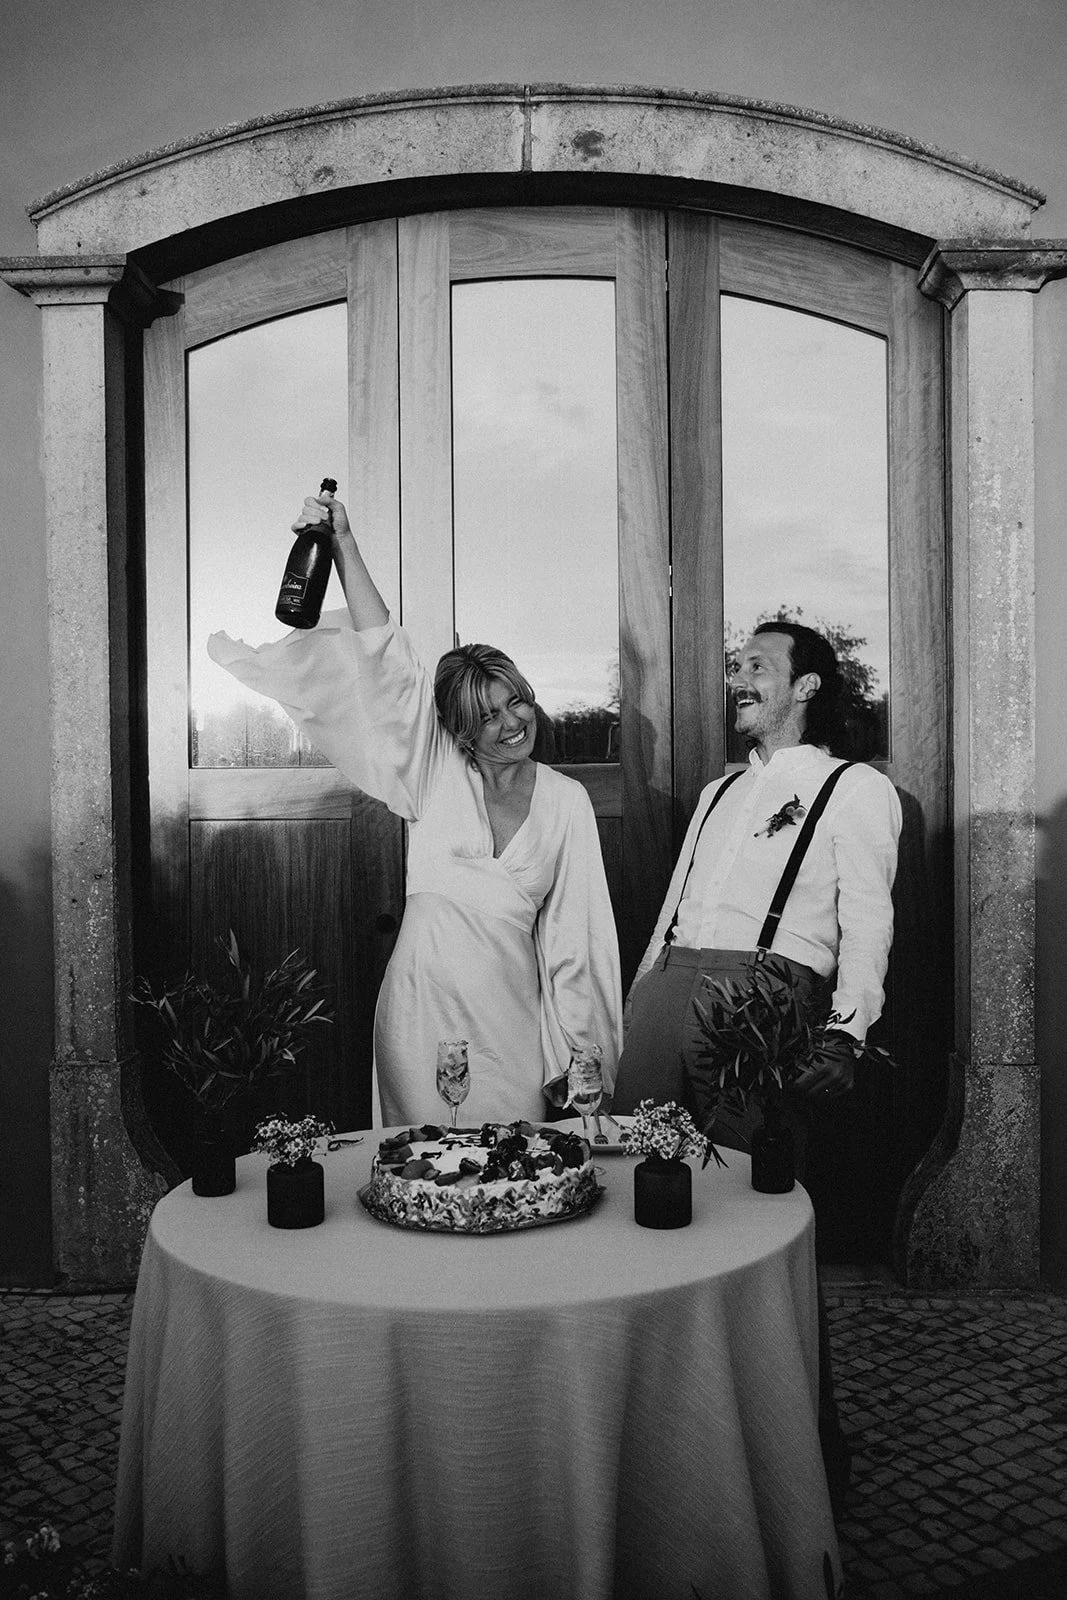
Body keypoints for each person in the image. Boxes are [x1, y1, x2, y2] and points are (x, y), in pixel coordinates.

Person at [208, 488, 622, 1127]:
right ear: (460, 732)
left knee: (515, 1165)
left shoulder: (567, 803)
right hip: (419, 1010)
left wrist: (578, 1054)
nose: (513, 723)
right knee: (422, 1167)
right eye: (488, 715)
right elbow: (385, 657)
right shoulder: (433, 771)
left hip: (509, 1020)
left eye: (517, 700)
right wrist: (343, 543)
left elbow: (578, 939)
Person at [611, 619, 901, 1510]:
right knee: (633, 1193)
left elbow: (867, 920)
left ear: (806, 686)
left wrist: (844, 1035)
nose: (737, 675)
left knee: (748, 1219)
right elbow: (672, 909)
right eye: (734, 664)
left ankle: (787, 1449)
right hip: (669, 993)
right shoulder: (716, 792)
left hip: (765, 1002)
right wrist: (636, 1007)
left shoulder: (853, 788)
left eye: (758, 665)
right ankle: (647, 1433)